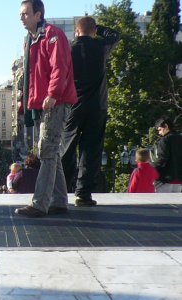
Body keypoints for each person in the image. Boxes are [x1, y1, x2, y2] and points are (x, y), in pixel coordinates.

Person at [15, 0, 78, 218]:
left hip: (56, 101)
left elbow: (59, 66)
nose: (21, 18)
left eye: (25, 14)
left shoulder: (53, 35)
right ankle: (59, 201)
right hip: (44, 102)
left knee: (46, 150)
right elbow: (31, 76)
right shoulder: (31, 40)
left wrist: (52, 94)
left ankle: (40, 203)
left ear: (38, 14)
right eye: (20, 14)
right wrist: (25, 101)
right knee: (52, 152)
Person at [61, 16, 120, 206]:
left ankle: (59, 191)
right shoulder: (101, 47)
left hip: (73, 106)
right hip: (97, 107)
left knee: (67, 148)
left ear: (76, 32)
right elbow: (115, 35)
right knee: (91, 150)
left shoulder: (68, 49)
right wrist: (97, 29)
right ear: (94, 31)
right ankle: (83, 194)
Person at [153, 117, 182, 193]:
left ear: (166, 126)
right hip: (179, 180)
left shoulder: (165, 140)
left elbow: (162, 159)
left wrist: (152, 169)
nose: (159, 133)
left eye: (159, 129)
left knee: (162, 204)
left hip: (165, 180)